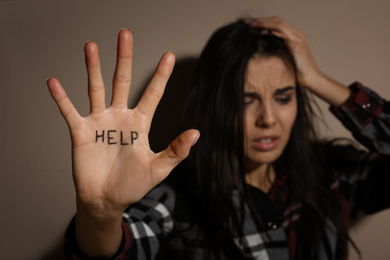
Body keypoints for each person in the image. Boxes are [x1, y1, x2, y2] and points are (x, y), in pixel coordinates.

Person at [47, 17, 390, 260]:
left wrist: (318, 79)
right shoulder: (178, 197)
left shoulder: (332, 175)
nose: (269, 119)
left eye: (284, 97)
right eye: (245, 100)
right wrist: (102, 213)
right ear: (216, 106)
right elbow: (119, 248)